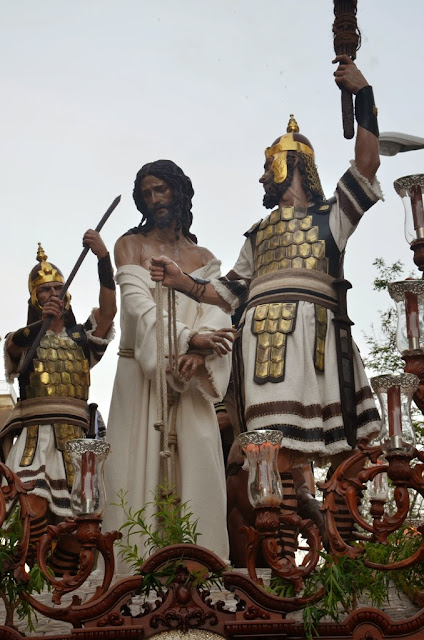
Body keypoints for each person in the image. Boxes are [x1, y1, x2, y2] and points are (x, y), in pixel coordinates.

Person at [150, 56, 383, 562]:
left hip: (317, 348)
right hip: (262, 354)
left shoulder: (332, 216)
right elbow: (227, 294)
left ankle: (352, 550)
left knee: (347, 455)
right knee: (268, 455)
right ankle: (278, 563)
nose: (261, 175)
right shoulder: (256, 235)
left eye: (267, 165)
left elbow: (366, 164)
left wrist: (363, 94)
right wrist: (182, 281)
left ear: (290, 163)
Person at [102, 159, 233, 570]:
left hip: (191, 382)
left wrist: (198, 352)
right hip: (141, 378)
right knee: (132, 475)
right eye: (147, 193)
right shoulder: (131, 245)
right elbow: (138, 308)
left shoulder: (205, 257)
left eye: (162, 189)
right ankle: (130, 583)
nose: (155, 199)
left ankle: (201, 574)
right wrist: (185, 338)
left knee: (200, 467)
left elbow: (219, 311)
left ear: (179, 191)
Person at [1, 231, 116, 574]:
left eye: (57, 288)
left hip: (78, 440)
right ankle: (26, 580)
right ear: (34, 298)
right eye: (44, 290)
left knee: (80, 527)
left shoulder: (82, 338)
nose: (53, 293)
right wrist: (41, 322)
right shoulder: (22, 339)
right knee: (30, 510)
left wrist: (103, 260)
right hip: (37, 438)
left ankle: (61, 586)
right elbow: (14, 351)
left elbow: (109, 312)